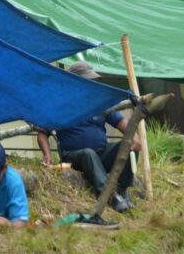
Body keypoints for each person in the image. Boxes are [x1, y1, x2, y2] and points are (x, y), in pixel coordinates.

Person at [36, 61, 139, 213]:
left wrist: (134, 138)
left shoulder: (100, 103)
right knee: (88, 154)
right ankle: (109, 195)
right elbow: (42, 133)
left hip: (101, 154)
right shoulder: (60, 105)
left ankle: (123, 191)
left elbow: (124, 124)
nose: (93, 83)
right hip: (74, 157)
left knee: (127, 144)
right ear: (76, 82)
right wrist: (47, 154)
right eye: (89, 80)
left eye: (93, 80)